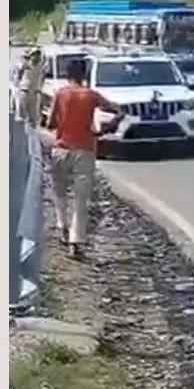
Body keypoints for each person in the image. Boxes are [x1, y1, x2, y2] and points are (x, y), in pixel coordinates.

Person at [44, 58, 125, 259]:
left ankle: (62, 225)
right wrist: (108, 126)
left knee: (60, 191)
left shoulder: (60, 94)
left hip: (61, 149)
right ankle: (76, 241)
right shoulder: (91, 95)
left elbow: (51, 123)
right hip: (86, 150)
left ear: (67, 75)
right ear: (85, 75)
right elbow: (118, 111)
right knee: (81, 199)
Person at [17, 48, 45, 125]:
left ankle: (33, 131)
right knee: (22, 115)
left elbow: (42, 78)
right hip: (24, 92)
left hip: (34, 93)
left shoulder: (40, 67)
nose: (37, 57)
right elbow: (19, 75)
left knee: (34, 118)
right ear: (31, 56)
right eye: (35, 55)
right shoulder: (25, 65)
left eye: (38, 55)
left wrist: (39, 88)